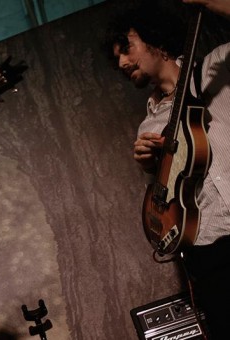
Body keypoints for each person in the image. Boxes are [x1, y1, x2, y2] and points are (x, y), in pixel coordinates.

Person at [105, 1, 230, 337]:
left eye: (126, 49)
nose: (121, 62)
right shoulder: (149, 124)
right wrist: (153, 168)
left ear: (155, 39)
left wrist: (210, 3)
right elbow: (174, 196)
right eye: (116, 57)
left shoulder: (217, 67)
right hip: (210, 248)